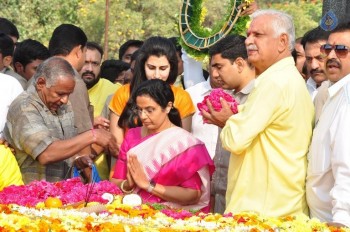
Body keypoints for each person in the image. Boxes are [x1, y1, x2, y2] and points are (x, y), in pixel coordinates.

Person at [202, 9, 314, 217]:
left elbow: (235, 140)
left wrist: (227, 121)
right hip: (271, 206)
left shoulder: (275, 83)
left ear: (282, 42)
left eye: (258, 35)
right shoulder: (282, 79)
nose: (248, 41)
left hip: (265, 210)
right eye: (249, 35)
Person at [3, 57, 117, 184]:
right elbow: (46, 154)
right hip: (30, 197)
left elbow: (64, 144)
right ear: (41, 83)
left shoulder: (62, 105)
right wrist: (92, 135)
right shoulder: (24, 107)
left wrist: (76, 159)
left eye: (69, 94)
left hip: (62, 195)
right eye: (60, 94)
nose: (65, 100)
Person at [110, 79, 214, 212]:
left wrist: (149, 186)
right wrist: (128, 184)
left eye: (150, 110)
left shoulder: (185, 144)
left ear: (168, 107)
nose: (143, 116)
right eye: (139, 109)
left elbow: (193, 195)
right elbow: (115, 179)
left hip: (172, 218)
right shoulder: (132, 135)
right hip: (132, 213)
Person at [109, 36, 195, 153]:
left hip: (168, 168)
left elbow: (184, 145)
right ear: (142, 65)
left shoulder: (181, 97)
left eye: (163, 68)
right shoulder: (123, 94)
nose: (157, 75)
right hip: (126, 165)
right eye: (151, 68)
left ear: (171, 68)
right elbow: (116, 145)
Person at [306, 21, 350, 227]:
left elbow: (346, 167)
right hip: (320, 221)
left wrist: (342, 220)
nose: (332, 56)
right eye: (328, 48)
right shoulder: (331, 93)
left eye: (341, 50)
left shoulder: (347, 99)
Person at [48, 24, 95, 158]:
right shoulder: (73, 81)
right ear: (79, 50)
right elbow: (83, 134)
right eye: (85, 52)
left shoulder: (37, 76)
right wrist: (88, 173)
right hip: (63, 166)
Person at [80, 42, 120, 180]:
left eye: (95, 64)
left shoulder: (114, 92)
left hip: (104, 177)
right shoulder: (66, 91)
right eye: (85, 62)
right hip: (70, 171)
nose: (89, 69)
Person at [301, 26, 330, 100]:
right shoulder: (302, 89)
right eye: (309, 59)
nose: (314, 66)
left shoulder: (344, 93)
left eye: (320, 58)